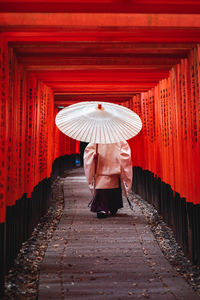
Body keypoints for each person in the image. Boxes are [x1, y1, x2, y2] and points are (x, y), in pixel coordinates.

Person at [84, 141, 132, 218]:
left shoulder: (118, 140)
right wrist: (93, 155)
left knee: (109, 189)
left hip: (113, 170)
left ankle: (108, 207)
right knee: (103, 188)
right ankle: (103, 208)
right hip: (102, 168)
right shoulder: (97, 140)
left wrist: (117, 157)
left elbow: (88, 151)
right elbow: (125, 154)